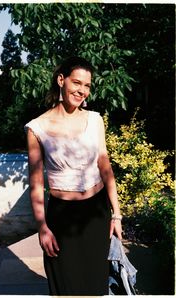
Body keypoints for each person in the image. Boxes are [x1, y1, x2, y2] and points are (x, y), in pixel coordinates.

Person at [24, 56, 122, 295]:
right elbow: (36, 183)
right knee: (65, 285)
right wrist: (42, 227)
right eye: (77, 83)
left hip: (96, 214)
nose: (82, 91)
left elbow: (104, 166)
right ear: (61, 80)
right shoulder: (37, 127)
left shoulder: (94, 120)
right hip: (62, 218)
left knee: (96, 282)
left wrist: (116, 214)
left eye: (87, 86)